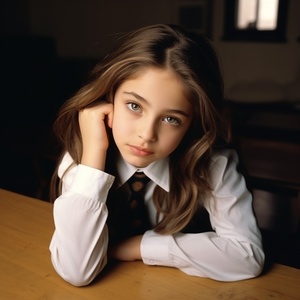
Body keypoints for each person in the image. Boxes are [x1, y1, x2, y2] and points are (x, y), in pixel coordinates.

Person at [49, 24, 264, 286]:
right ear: (109, 98)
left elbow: (247, 256)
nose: (147, 134)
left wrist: (139, 247)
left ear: (192, 124)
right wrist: (94, 154)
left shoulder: (213, 164)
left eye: (171, 119)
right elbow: (77, 272)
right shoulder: (84, 158)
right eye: (134, 106)